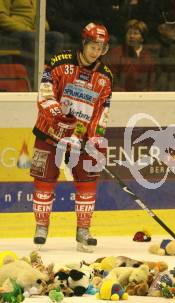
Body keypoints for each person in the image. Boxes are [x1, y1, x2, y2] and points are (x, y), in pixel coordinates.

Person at [30, 23, 113, 253]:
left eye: (101, 48)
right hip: (49, 133)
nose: (97, 52)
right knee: (44, 180)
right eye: (94, 46)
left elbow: (102, 112)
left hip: (82, 138)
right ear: (84, 43)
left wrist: (96, 138)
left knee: (87, 183)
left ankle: (83, 231)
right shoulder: (59, 63)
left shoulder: (105, 77)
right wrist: (60, 122)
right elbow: (45, 96)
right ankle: (41, 226)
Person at [106, 19, 155, 91]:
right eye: (129, 33)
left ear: (142, 38)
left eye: (135, 33)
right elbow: (109, 78)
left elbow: (151, 83)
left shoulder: (149, 57)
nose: (131, 36)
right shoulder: (115, 53)